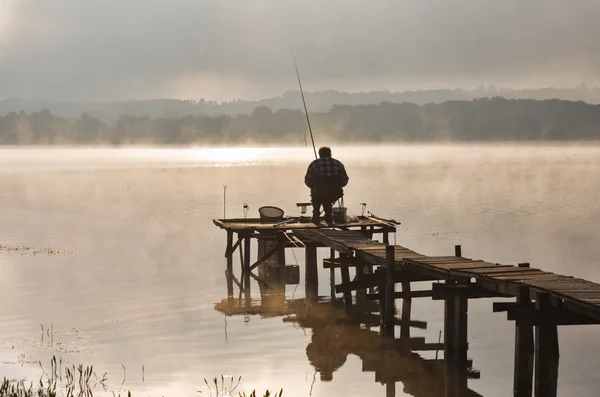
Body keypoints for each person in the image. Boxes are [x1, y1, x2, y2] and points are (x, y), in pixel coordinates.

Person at [304, 146, 349, 224]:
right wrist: (338, 186)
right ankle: (329, 217)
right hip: (335, 192)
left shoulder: (314, 164)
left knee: (318, 196)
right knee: (327, 199)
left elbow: (307, 180)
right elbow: (345, 179)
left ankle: (316, 215)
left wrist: (312, 187)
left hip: (318, 192)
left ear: (319, 154)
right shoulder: (338, 164)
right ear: (330, 154)